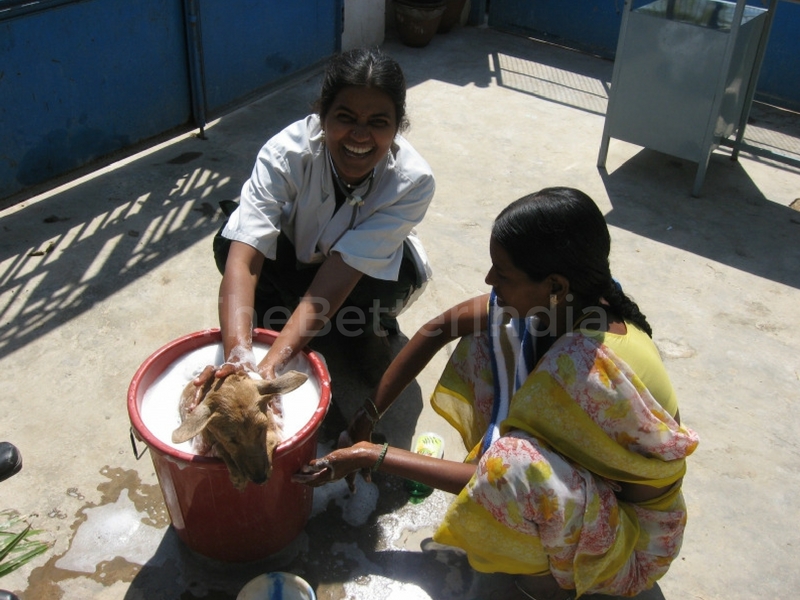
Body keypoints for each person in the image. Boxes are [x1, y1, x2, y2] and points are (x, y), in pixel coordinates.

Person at [293, 187, 699, 600]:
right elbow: (438, 329)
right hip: (591, 494)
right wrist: (368, 413)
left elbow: (506, 478)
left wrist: (371, 455)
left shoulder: (588, 373)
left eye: (503, 274)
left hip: (634, 546)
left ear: (555, 284)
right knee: (493, 338)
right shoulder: (577, 302)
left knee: (509, 465)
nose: (489, 280)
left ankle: (552, 583)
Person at [206, 47, 435, 385]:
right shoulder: (285, 154)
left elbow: (340, 274)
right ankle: (278, 318)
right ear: (322, 115)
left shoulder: (413, 181)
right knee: (230, 243)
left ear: (398, 126)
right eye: (345, 117)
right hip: (296, 256)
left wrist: (274, 362)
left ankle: (365, 330)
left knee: (393, 280)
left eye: (378, 122)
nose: (359, 135)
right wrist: (239, 356)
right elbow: (244, 260)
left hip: (355, 274)